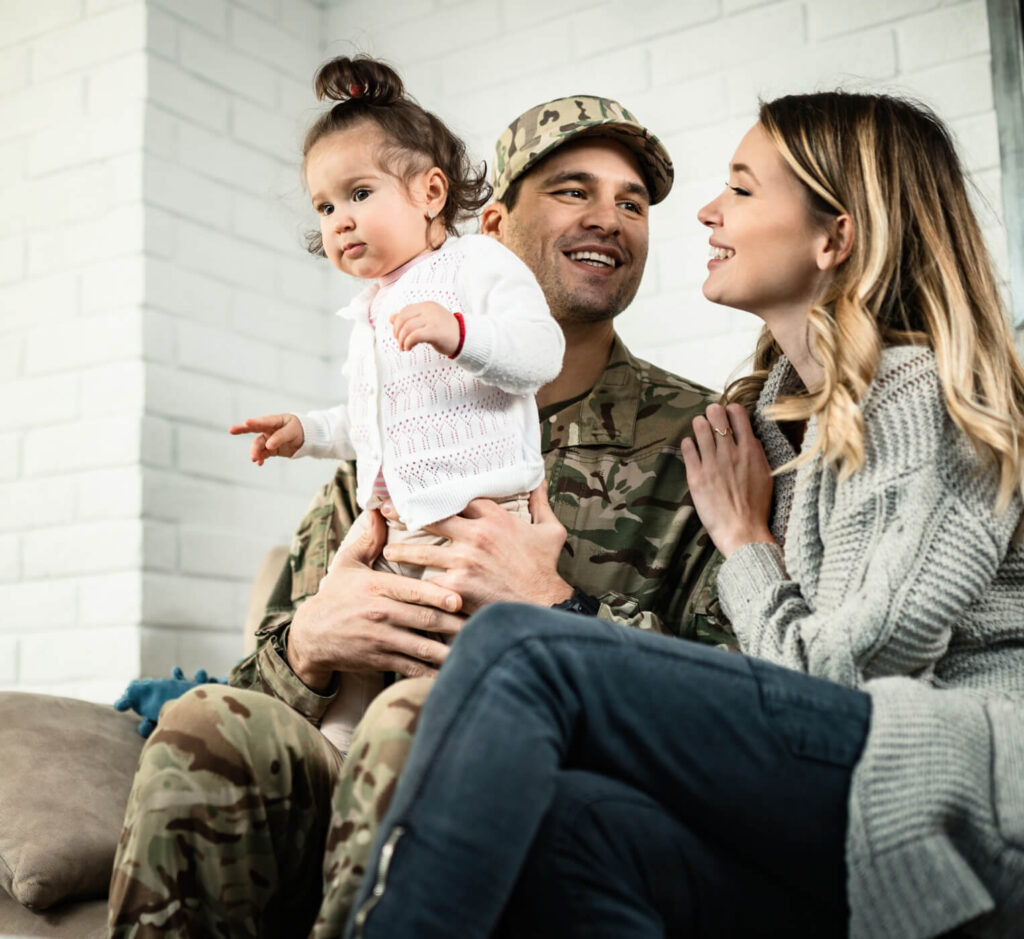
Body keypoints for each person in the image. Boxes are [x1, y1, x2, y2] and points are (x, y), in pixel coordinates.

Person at [346, 92, 1024, 939]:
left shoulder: (922, 400)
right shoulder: (773, 422)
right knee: (569, 824)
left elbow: (837, 684)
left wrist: (744, 543)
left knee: (520, 648)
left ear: (835, 237)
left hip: (960, 788)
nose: (705, 211)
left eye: (741, 188)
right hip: (852, 804)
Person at [107, 92, 727, 937]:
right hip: (343, 769)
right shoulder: (390, 429)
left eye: (633, 202)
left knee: (420, 722)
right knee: (203, 724)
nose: (610, 219)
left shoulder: (700, 439)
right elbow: (262, 678)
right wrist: (311, 643)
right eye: (573, 190)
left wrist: (558, 609)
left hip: (543, 793)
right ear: (492, 227)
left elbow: (740, 710)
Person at [229, 54, 563, 752]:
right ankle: (340, 749)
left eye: (358, 193)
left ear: (430, 192)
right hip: (394, 524)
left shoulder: (476, 265)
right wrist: (306, 430)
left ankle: (431, 749)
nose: (339, 221)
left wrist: (460, 333)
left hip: (476, 523)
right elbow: (373, 421)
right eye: (325, 207)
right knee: (357, 643)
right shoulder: (374, 307)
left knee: (443, 657)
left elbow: (540, 354)